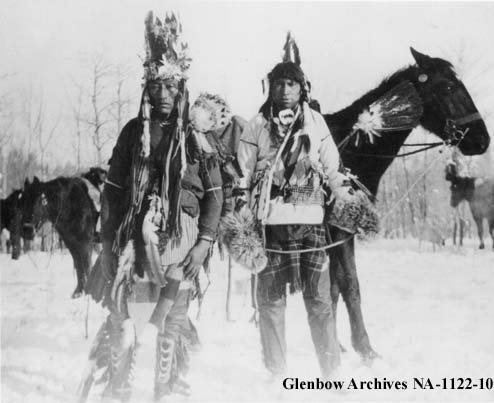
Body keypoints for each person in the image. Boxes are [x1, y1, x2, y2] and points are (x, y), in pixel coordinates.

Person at [82, 11, 223, 402]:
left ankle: (164, 390)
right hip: (132, 244)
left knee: (171, 324)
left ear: (182, 90)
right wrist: (108, 244)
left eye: (171, 87)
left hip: (181, 245)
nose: (163, 94)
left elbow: (215, 195)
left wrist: (204, 243)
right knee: (122, 318)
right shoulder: (132, 133)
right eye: (156, 86)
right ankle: (119, 388)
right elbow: (111, 194)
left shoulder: (198, 138)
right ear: (147, 88)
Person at [237, 60, 347, 379]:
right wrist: (242, 213)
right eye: (279, 84)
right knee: (270, 303)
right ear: (270, 87)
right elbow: (243, 175)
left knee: (320, 301)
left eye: (292, 84)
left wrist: (346, 198)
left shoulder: (315, 123)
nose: (285, 90)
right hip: (270, 224)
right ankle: (277, 374)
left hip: (310, 222)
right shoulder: (257, 124)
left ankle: (332, 372)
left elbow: (332, 169)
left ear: (302, 88)